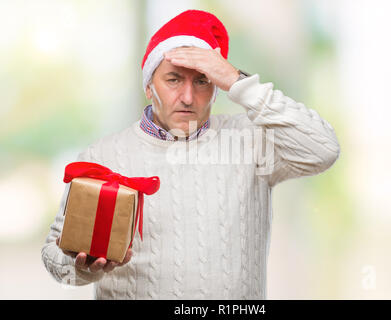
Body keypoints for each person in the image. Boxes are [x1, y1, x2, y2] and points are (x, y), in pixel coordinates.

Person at [41, 9, 340, 299]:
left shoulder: (249, 140)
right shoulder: (103, 155)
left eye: (202, 81)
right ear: (148, 85)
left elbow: (323, 149)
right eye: (173, 79)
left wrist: (239, 81)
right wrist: (83, 268)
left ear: (217, 87)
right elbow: (56, 261)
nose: (187, 97)